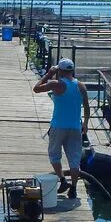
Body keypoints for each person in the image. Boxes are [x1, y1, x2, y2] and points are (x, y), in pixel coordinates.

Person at [32, 57, 90, 198]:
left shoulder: (56, 84)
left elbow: (36, 88)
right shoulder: (81, 86)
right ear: (72, 70)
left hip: (58, 126)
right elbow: (87, 107)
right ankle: (74, 188)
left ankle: (63, 180)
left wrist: (49, 73)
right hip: (75, 126)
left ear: (60, 71)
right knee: (74, 158)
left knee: (54, 155)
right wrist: (86, 124)